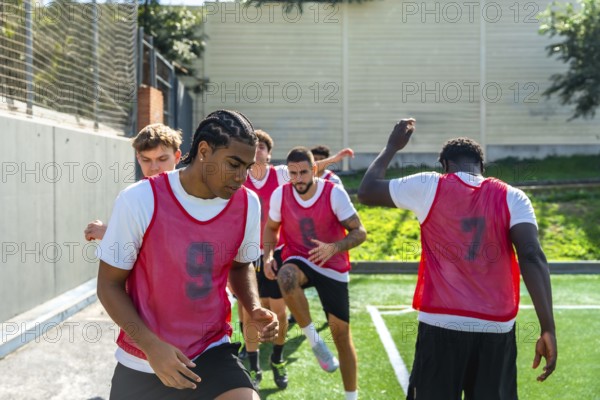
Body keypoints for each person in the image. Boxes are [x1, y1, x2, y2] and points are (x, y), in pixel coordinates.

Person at [357, 118, 557, 399]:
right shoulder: (514, 196)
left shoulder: (428, 184)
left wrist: (392, 146)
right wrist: (548, 328)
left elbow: (366, 191)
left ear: (446, 166)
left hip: (441, 323)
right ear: (482, 168)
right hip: (496, 326)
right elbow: (532, 255)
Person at [96, 110, 279, 400]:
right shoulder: (139, 199)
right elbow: (109, 285)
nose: (241, 177)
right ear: (204, 151)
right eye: (234, 164)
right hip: (143, 359)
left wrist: (253, 307)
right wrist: (152, 347)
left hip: (211, 349)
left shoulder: (248, 203)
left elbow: (240, 266)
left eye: (247, 167)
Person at [263, 147, 367, 400]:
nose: (298, 178)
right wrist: (267, 255)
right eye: (293, 173)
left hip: (333, 264)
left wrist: (335, 247)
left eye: (303, 172)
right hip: (300, 258)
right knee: (285, 275)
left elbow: (359, 232)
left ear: (314, 170)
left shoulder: (334, 193)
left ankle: (351, 397)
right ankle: (314, 340)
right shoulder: (281, 194)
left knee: (342, 336)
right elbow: (271, 228)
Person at [84, 123, 182, 241]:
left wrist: (110, 234)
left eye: (162, 159)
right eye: (146, 160)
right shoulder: (131, 197)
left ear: (177, 156)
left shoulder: (193, 193)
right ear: (138, 158)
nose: (154, 167)